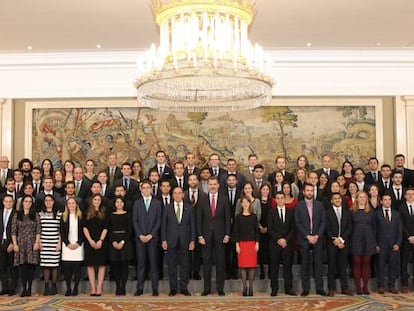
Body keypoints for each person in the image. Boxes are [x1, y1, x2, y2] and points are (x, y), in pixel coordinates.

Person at [197, 176, 231, 296]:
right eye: (210, 184)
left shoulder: (224, 199)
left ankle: (220, 288)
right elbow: (199, 219)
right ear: (207, 186)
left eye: (214, 184)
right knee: (206, 263)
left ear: (218, 185)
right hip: (205, 236)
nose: (212, 186)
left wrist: (227, 234)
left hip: (220, 236)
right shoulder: (202, 199)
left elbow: (227, 219)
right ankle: (206, 289)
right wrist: (200, 235)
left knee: (220, 263)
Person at [161, 187, 195, 296]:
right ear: (172, 195)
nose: (177, 195)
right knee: (172, 265)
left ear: (183, 195)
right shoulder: (167, 208)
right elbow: (163, 226)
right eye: (175, 193)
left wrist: (192, 240)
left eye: (179, 193)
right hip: (171, 240)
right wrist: (164, 240)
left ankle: (184, 287)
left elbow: (193, 226)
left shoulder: (189, 208)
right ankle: (173, 288)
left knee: (185, 265)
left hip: (185, 240)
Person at [295, 183, 327, 296]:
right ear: (303, 192)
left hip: (318, 238)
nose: (310, 192)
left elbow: (323, 222)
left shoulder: (319, 205)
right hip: (304, 239)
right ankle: (306, 289)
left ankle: (319, 288)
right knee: (305, 264)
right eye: (307, 190)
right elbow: (297, 223)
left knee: (318, 263)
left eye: (311, 190)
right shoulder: (299, 205)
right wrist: (307, 236)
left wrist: (317, 235)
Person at [132, 181, 162, 296]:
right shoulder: (137, 203)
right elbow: (134, 220)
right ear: (141, 190)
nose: (146, 190)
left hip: (152, 238)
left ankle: (155, 288)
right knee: (141, 264)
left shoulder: (157, 203)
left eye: (148, 188)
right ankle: (140, 288)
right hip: (140, 238)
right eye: (143, 188)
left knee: (154, 264)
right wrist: (140, 234)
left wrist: (151, 235)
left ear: (151, 189)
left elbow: (159, 220)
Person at [11, 195, 41, 297]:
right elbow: (13, 230)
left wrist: (37, 242)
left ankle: (29, 288)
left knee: (31, 266)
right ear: (22, 203)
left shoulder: (35, 214)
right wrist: (15, 244)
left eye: (29, 202)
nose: (27, 203)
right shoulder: (17, 214)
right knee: (22, 266)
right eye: (26, 201)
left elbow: (38, 229)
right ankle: (24, 288)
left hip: (32, 242)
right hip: (20, 242)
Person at [267, 192, 296, 296]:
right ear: (275, 200)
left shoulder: (291, 211)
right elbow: (270, 228)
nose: (280, 200)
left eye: (282, 198)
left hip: (287, 244)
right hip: (275, 243)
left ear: (284, 199)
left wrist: (285, 240)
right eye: (277, 198)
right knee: (274, 268)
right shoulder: (271, 212)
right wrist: (279, 239)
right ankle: (274, 289)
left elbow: (293, 228)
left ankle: (288, 289)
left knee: (287, 267)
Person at [325, 193, 353, 296]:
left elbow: (349, 227)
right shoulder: (327, 213)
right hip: (332, 243)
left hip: (344, 243)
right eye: (335, 199)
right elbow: (326, 228)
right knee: (331, 266)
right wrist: (335, 240)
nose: (337, 200)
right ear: (331, 201)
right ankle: (331, 288)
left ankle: (344, 288)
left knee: (343, 266)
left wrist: (341, 239)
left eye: (339, 198)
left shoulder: (347, 212)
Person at [375, 193, 402, 294]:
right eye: (385, 200)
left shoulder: (396, 214)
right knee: (380, 266)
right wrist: (376, 244)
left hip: (393, 245)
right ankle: (381, 286)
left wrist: (398, 243)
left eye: (389, 199)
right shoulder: (377, 214)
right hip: (381, 245)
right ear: (381, 201)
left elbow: (400, 230)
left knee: (393, 266)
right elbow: (374, 230)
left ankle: (392, 286)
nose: (387, 201)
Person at [350, 191, 376, 295]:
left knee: (366, 263)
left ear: (367, 199)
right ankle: (358, 288)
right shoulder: (351, 212)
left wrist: (374, 242)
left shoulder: (371, 212)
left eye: (364, 197)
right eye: (360, 197)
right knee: (356, 262)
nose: (362, 199)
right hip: (355, 239)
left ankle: (365, 287)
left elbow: (374, 228)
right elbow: (349, 227)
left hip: (368, 239)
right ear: (356, 199)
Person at [233, 196, 259, 296]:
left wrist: (257, 243)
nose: (245, 204)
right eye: (243, 202)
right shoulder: (238, 217)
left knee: (252, 266)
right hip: (242, 244)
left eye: (247, 202)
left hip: (252, 243)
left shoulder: (254, 216)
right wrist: (237, 245)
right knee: (243, 266)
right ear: (241, 204)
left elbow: (257, 231)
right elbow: (236, 232)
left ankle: (251, 287)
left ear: (250, 204)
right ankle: (244, 287)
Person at [83, 193, 108, 296]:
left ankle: (99, 288)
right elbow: (84, 227)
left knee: (101, 265)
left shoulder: (104, 212)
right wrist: (90, 240)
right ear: (91, 201)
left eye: (99, 199)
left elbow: (106, 227)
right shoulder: (86, 213)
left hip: (101, 241)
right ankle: (93, 288)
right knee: (90, 265)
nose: (97, 201)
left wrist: (101, 240)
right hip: (90, 242)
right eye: (95, 199)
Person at [108, 196, 133, 295]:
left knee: (124, 265)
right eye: (117, 202)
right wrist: (113, 241)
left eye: (121, 202)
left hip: (125, 242)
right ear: (114, 204)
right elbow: (109, 229)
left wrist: (122, 241)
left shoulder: (128, 215)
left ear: (124, 203)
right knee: (115, 265)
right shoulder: (110, 215)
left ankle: (123, 286)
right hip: (113, 241)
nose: (119, 204)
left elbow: (130, 230)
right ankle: (118, 286)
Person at [60, 197, 84, 296]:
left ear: (76, 205)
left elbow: (83, 231)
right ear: (67, 205)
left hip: (78, 245)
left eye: (73, 203)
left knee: (77, 268)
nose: (71, 205)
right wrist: (67, 243)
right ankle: (68, 288)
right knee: (67, 268)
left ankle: (76, 288)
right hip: (67, 245)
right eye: (69, 203)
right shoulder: (64, 216)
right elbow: (62, 232)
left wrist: (78, 243)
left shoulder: (81, 216)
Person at [39, 194, 62, 295]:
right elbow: (38, 229)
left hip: (54, 242)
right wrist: (39, 241)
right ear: (44, 202)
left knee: (54, 265)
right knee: (46, 265)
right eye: (46, 200)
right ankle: (46, 286)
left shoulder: (58, 214)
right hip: (44, 241)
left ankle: (54, 285)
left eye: (50, 200)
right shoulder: (40, 214)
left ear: (53, 202)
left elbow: (60, 230)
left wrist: (59, 243)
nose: (48, 202)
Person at [0, 195, 17, 295]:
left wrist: (12, 243)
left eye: (10, 201)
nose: (8, 203)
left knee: (12, 267)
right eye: (6, 201)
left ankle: (12, 288)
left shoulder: (16, 213)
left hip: (11, 242)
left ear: (13, 202)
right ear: (3, 202)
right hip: (1, 242)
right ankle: (4, 287)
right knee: (2, 267)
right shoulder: (0, 213)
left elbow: (17, 230)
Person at [400, 187, 414, 293]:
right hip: (405, 239)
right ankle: (404, 285)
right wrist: (409, 236)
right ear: (405, 196)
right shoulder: (401, 208)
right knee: (404, 263)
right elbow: (401, 225)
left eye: (412, 194)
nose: (410, 196)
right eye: (408, 194)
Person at [258, 183, 271, 280]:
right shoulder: (257, 201)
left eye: (267, 189)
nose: (265, 191)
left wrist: (268, 227)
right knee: (261, 251)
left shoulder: (272, 201)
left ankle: (270, 271)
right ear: (260, 190)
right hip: (259, 229)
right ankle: (262, 271)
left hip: (270, 229)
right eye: (263, 189)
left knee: (270, 251)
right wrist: (260, 227)